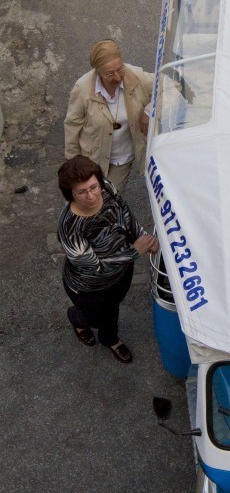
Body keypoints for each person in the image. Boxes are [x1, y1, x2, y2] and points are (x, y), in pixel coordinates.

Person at [57, 155, 159, 364]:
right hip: (90, 287)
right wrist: (134, 252)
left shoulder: (107, 188)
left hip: (121, 272)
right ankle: (78, 319)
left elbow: (126, 215)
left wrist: (144, 238)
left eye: (93, 187)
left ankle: (109, 338)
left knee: (112, 309)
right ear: (70, 194)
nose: (92, 195)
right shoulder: (70, 228)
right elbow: (95, 268)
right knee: (93, 316)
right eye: (82, 192)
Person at [64, 40, 154, 195]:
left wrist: (149, 111)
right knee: (84, 198)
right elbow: (72, 124)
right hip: (92, 158)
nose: (117, 78)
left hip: (122, 159)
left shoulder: (136, 76)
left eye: (120, 69)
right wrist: (74, 162)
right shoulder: (82, 88)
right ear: (97, 72)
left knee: (108, 199)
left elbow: (171, 85)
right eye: (110, 74)